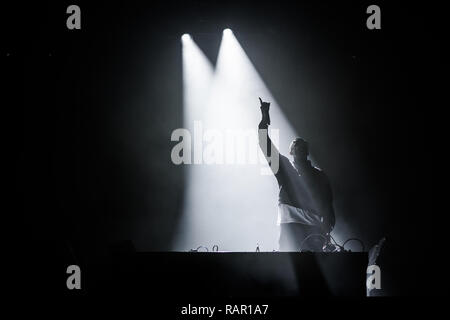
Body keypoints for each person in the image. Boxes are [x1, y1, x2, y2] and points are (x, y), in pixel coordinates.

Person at [257, 98, 335, 251]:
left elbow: (329, 206)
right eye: (295, 144)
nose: (298, 144)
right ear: (291, 152)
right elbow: (263, 143)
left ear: (307, 151)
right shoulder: (284, 168)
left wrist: (328, 227)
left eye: (301, 144)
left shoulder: (320, 176)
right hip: (290, 226)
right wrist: (264, 121)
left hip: (313, 227)